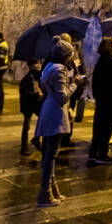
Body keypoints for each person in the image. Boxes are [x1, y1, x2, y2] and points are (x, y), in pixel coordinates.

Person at [36, 38, 81, 207]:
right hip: (55, 112)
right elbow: (62, 96)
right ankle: (44, 194)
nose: (71, 57)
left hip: (48, 109)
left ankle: (52, 189)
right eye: (69, 55)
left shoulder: (49, 67)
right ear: (64, 56)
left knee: (49, 154)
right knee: (51, 155)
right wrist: (75, 84)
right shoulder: (60, 69)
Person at [87, 38, 112, 165]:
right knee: (107, 128)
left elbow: (95, 82)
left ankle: (92, 153)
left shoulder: (100, 61)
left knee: (98, 128)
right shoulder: (111, 62)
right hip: (110, 100)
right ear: (108, 47)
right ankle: (102, 155)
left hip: (101, 100)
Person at [19, 58, 44, 156]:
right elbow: (25, 93)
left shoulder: (39, 75)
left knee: (42, 120)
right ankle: (24, 147)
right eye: (35, 64)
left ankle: (36, 139)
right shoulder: (26, 79)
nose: (37, 65)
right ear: (30, 66)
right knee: (26, 126)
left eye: (38, 63)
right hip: (28, 104)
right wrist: (36, 95)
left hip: (37, 104)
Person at [65, 32, 88, 125]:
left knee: (78, 100)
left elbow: (79, 67)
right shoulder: (69, 54)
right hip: (71, 83)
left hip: (76, 83)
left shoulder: (76, 54)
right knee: (72, 103)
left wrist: (83, 77)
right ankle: (72, 118)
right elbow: (78, 67)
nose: (74, 43)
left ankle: (75, 117)